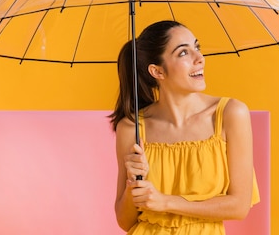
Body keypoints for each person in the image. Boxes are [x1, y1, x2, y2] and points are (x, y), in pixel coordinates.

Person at [109, 20, 259, 235]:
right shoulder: (132, 127)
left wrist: (167, 203)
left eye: (197, 47)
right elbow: (125, 221)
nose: (199, 59)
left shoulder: (230, 114)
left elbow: (239, 206)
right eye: (183, 53)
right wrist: (133, 185)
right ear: (157, 71)